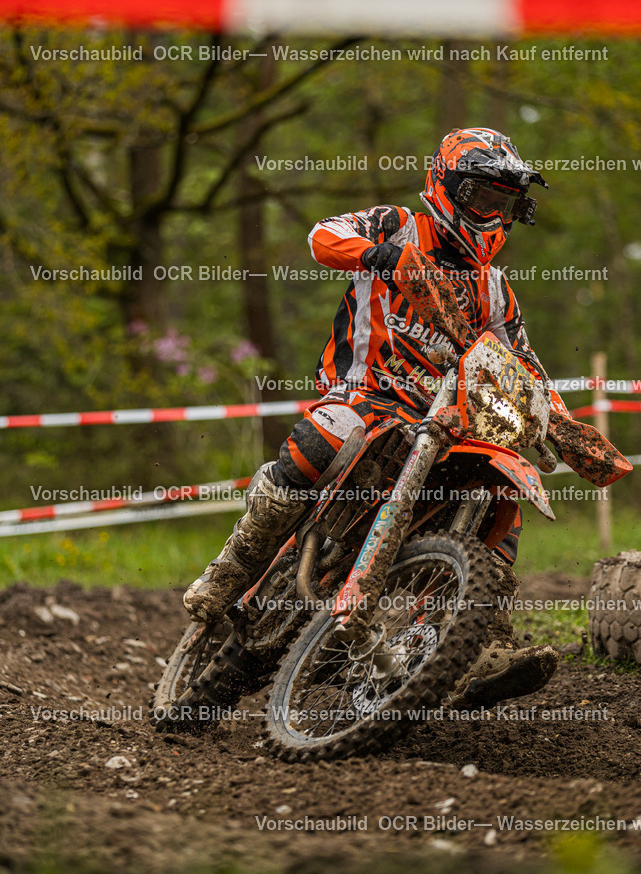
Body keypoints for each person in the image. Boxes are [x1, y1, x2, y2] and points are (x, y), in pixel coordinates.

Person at [184, 127, 563, 706]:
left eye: (503, 203)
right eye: (482, 198)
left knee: (499, 498)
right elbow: (322, 235)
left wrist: (555, 419)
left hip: (439, 422)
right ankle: (233, 567)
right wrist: (380, 254)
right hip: (362, 391)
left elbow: (523, 362)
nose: (492, 214)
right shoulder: (398, 225)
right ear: (449, 186)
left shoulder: (494, 290)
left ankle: (475, 636)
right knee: (335, 434)